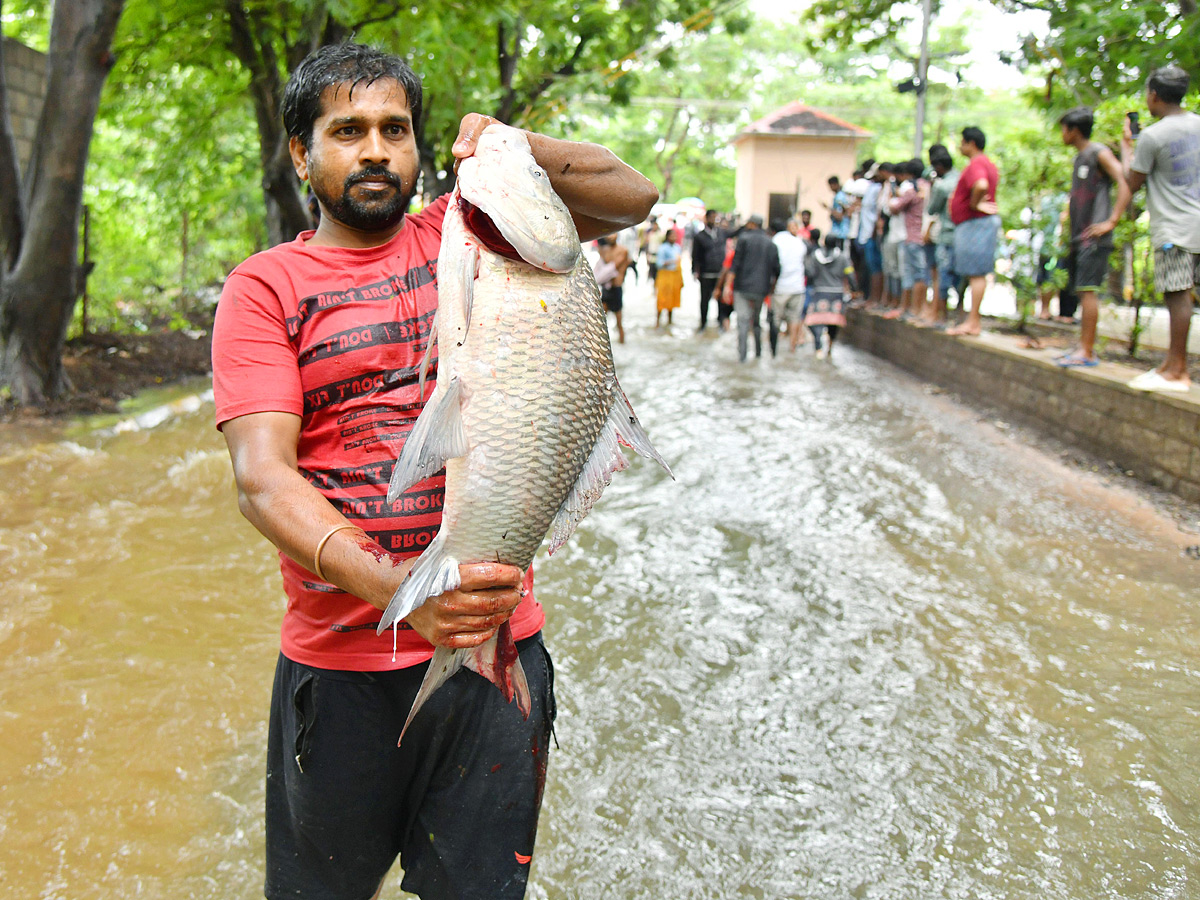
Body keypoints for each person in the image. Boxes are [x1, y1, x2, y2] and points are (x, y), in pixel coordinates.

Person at [210, 43, 657, 900]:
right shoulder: (265, 287)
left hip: (498, 660)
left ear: (420, 148)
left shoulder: (479, 227)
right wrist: (406, 594)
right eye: (347, 131)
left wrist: (513, 144)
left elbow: (631, 196)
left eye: (395, 129)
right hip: (339, 677)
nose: (376, 149)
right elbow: (262, 480)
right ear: (302, 154)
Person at [1121, 63, 1200, 392]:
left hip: (1175, 227)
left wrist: (1127, 145)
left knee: (1177, 294)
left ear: (1153, 96)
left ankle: (1177, 370)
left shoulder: (1152, 136)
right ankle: (1170, 363)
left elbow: (1132, 181)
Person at [1053, 106, 1133, 368]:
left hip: (1094, 237)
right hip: (1080, 237)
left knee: (1088, 292)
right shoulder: (1081, 157)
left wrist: (1111, 221)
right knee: (1081, 291)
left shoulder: (1098, 152)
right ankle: (1082, 348)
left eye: (1064, 129)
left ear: (1073, 130)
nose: (1062, 134)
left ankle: (1087, 351)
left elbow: (1125, 180)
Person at [947, 126, 1001, 336]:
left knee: (976, 274)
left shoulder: (977, 164)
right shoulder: (986, 163)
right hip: (976, 224)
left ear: (971, 143)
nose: (961, 147)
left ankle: (973, 323)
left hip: (975, 224)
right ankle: (971, 321)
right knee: (974, 274)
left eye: (962, 142)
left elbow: (980, 185)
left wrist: (975, 204)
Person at [729, 214, 781, 361]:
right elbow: (777, 269)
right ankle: (758, 353)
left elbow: (735, 264)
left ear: (752, 224)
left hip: (742, 287)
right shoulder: (771, 243)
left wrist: (727, 285)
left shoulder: (743, 239)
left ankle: (742, 356)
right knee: (756, 321)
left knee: (743, 322)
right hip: (761, 289)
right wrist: (771, 288)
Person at [887, 158, 929, 320]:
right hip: (922, 236)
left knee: (913, 273)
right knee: (920, 273)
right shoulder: (926, 187)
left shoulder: (913, 190)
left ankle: (912, 309)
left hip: (911, 236)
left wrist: (893, 194)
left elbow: (894, 207)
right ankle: (914, 309)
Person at [924, 144, 959, 325]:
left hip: (946, 234)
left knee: (941, 276)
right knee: (959, 278)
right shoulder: (960, 178)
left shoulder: (942, 185)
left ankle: (940, 316)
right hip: (962, 235)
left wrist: (933, 184)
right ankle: (956, 315)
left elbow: (931, 209)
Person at [804, 233, 852, 360]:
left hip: (819, 292)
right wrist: (855, 288)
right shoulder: (842, 257)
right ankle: (829, 348)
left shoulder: (815, 256)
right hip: (836, 294)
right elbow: (850, 273)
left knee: (815, 321)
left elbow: (810, 272)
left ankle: (818, 347)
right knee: (833, 323)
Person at [771, 216, 808, 352]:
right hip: (791, 286)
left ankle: (781, 348)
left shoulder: (780, 240)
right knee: (791, 318)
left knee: (782, 318)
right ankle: (789, 347)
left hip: (785, 287)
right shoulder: (799, 243)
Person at [691, 208, 726, 332]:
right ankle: (703, 323)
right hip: (705, 273)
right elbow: (694, 255)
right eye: (711, 217)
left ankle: (720, 322)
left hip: (720, 273)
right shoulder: (699, 236)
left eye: (715, 217)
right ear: (706, 219)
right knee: (704, 300)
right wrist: (694, 271)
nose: (713, 220)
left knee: (720, 300)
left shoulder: (721, 233)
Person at [594, 235, 632, 344]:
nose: (611, 237)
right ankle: (599, 345)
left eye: (613, 234)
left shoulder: (623, 250)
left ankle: (622, 344)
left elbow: (613, 267)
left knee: (619, 322)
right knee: (599, 321)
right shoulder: (605, 250)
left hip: (616, 288)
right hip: (606, 288)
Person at [655, 229, 683, 326]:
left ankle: (669, 321)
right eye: (672, 236)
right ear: (667, 237)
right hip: (665, 276)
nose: (674, 238)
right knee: (662, 299)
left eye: (675, 236)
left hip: (675, 276)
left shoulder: (677, 247)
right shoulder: (663, 248)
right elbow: (659, 263)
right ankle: (658, 322)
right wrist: (670, 262)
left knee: (672, 299)